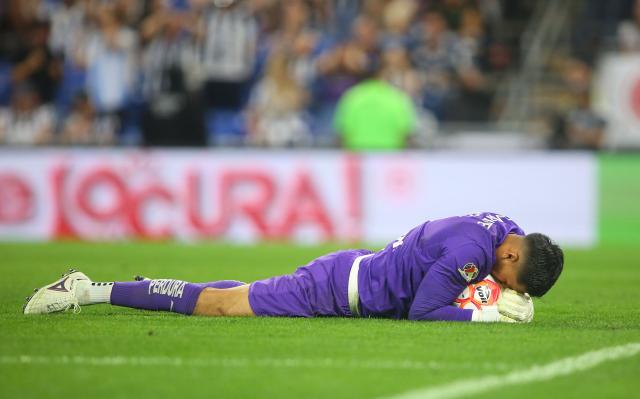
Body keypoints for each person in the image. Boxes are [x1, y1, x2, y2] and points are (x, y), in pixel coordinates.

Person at [23, 212, 563, 323]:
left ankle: (149, 289)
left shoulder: (500, 227)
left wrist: (501, 295)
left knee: (237, 291)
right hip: (334, 290)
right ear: (510, 255)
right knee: (222, 305)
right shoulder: (474, 255)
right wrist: (488, 316)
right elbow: (425, 312)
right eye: (505, 278)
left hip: (353, 270)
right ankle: (88, 290)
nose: (497, 283)